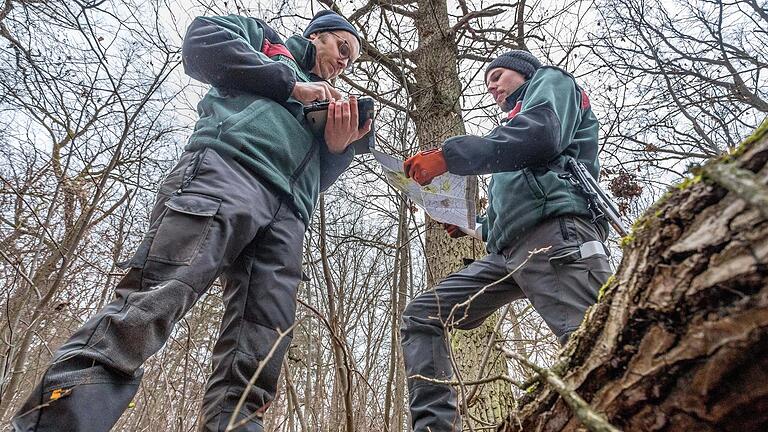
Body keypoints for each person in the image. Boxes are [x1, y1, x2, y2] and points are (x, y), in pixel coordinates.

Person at [12, 10, 370, 432]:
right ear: (318, 36)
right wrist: (291, 84)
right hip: (226, 170)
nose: (345, 61)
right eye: (343, 48)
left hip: (289, 216)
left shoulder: (332, 101)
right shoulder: (267, 42)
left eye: (353, 60)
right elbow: (202, 43)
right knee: (154, 299)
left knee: (259, 345)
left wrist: (336, 146)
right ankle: (56, 423)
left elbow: (317, 177)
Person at [400, 50, 613, 431]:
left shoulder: (551, 83)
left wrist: (449, 156)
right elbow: (507, 213)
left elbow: (541, 135)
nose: (492, 86)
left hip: (557, 236)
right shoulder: (511, 143)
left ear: (523, 73)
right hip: (507, 255)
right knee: (422, 314)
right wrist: (470, 225)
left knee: (595, 347)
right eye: (486, 83)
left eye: (498, 76)